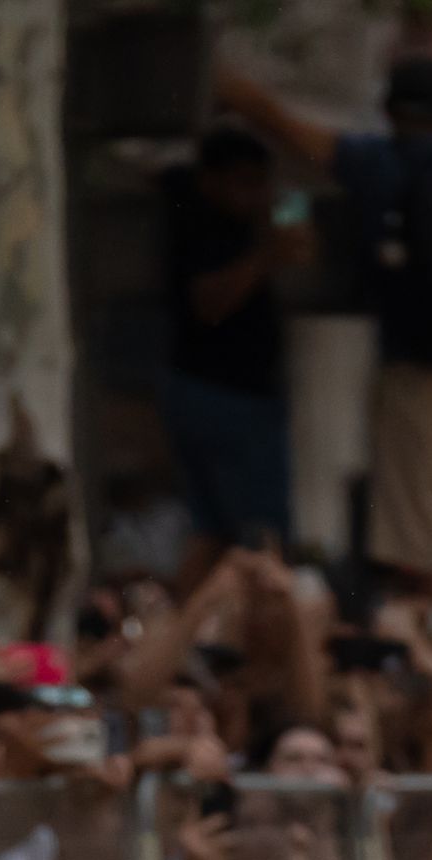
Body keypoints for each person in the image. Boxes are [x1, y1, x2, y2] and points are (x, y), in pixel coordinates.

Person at [214, 57, 432, 605]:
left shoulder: (382, 164)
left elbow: (296, 135)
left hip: (421, 382)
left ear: (389, 111)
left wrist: (238, 93)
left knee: (427, 557)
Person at [159, 126, 305, 576]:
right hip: (223, 394)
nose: (256, 194)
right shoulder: (199, 225)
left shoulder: (250, 224)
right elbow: (209, 303)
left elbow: (302, 244)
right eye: (246, 182)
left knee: (218, 532)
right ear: (212, 180)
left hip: (241, 393)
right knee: (257, 536)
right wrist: (266, 256)